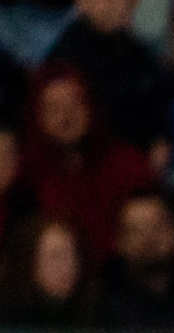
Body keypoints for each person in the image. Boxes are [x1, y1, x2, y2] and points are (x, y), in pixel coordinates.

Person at [21, 65, 153, 266]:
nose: (66, 117)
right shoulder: (27, 177)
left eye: (75, 105)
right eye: (54, 109)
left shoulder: (127, 163)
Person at [43, 0, 174, 155]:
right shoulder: (65, 61)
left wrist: (161, 138)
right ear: (83, 4)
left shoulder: (137, 52)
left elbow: (158, 104)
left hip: (138, 163)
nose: (119, 5)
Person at [97, 186, 174, 331]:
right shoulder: (100, 307)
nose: (149, 239)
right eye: (137, 230)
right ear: (119, 242)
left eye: (157, 227)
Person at [0, 212, 95, 326]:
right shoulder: (9, 319)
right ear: (30, 262)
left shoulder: (94, 314)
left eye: (73, 254)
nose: (69, 265)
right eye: (55, 256)